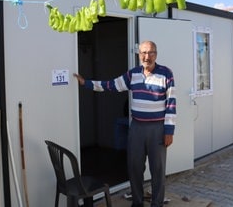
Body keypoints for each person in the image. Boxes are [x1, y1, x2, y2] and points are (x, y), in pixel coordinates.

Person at [73, 40, 176, 207]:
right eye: (143, 52)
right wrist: (86, 83)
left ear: (156, 54)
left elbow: (171, 103)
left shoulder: (166, 74)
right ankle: (137, 202)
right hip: (136, 128)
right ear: (138, 55)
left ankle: (157, 204)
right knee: (135, 168)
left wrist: (169, 131)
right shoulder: (133, 74)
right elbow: (111, 85)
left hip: (157, 129)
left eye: (150, 53)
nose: (146, 56)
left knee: (158, 170)